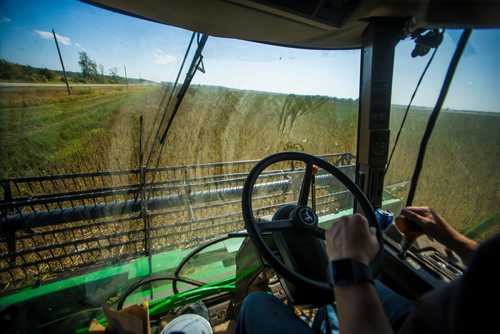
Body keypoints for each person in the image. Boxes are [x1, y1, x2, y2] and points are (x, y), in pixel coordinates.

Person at [236, 206, 500, 334]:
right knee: (330, 294)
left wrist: (349, 266)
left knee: (256, 303)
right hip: (437, 316)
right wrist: (451, 238)